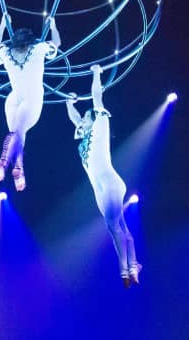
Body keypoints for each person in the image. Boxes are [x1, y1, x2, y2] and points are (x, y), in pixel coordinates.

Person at [65, 64, 142, 287]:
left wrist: (96, 74)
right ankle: (133, 264)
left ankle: (126, 269)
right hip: (99, 187)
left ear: (93, 118)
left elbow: (97, 97)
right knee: (115, 226)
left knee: (113, 224)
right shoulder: (86, 135)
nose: (81, 122)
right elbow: (75, 119)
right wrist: (69, 104)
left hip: (110, 182)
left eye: (85, 118)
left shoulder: (100, 124)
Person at [0, 13, 61, 191]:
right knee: (19, 134)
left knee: (16, 133)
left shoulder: (6, 53)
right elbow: (57, 43)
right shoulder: (39, 49)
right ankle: (7, 163)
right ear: (31, 40)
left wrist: (2, 24)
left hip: (14, 98)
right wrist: (53, 26)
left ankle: (12, 166)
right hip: (32, 98)